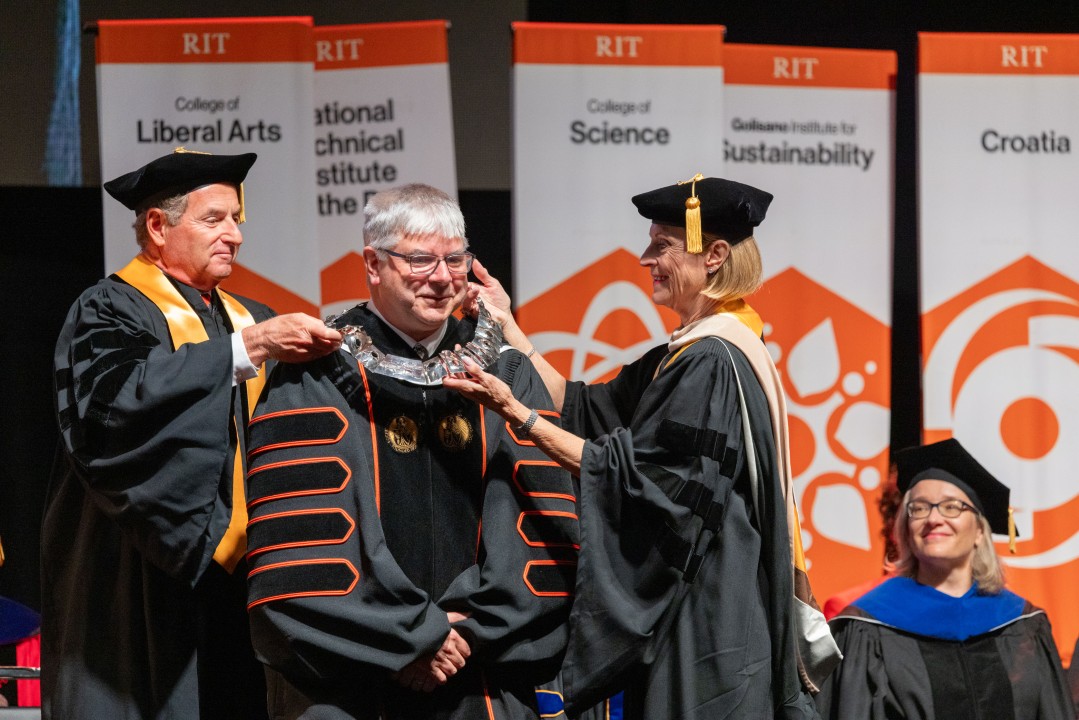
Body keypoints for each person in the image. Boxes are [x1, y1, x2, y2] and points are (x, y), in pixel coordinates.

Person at [445, 175, 838, 719]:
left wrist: (518, 415)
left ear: (715, 255)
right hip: (701, 611)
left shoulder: (712, 362)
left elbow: (644, 482)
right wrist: (507, 323)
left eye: (663, 245)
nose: (645, 257)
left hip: (710, 619)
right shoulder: (686, 354)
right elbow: (581, 408)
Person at [244, 183, 577, 719]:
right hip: (351, 671)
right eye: (421, 259)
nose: (442, 277)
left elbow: (542, 527)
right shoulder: (316, 372)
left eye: (455, 260)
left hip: (479, 668)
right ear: (373, 265)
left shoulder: (503, 373)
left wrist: (468, 630)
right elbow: (300, 550)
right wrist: (409, 638)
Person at [42, 149, 343, 720]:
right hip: (137, 569)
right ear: (158, 226)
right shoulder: (108, 309)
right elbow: (113, 407)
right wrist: (250, 348)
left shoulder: (251, 315)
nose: (234, 235)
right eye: (214, 219)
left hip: (243, 578)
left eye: (236, 219)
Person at [815, 438, 1076, 720]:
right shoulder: (865, 627)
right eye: (919, 508)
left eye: (952, 506)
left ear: (979, 531)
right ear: (905, 527)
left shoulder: (1024, 624)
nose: (934, 518)